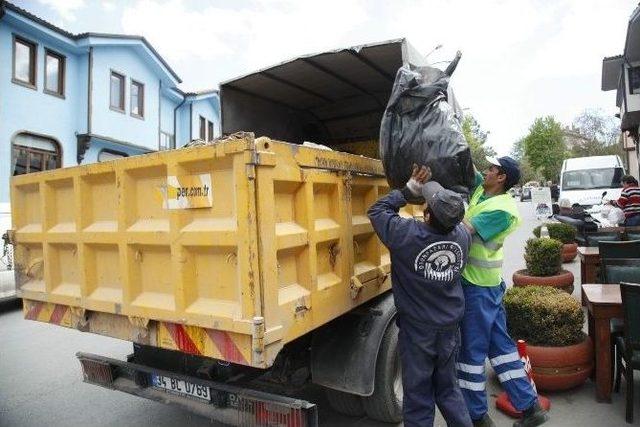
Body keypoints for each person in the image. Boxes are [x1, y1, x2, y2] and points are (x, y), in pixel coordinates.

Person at [367, 164, 472, 427]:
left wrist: (408, 190)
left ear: (426, 216)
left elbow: (377, 210)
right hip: (449, 328)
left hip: (418, 332)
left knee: (418, 396)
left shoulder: (407, 235)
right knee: (449, 390)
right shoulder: (461, 236)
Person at [457, 156, 549, 427]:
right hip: (487, 287)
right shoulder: (482, 191)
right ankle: (530, 408)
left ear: (502, 178)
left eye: (492, 169)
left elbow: (466, 230)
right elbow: (468, 169)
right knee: (501, 348)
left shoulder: (503, 210)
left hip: (478, 288)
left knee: (471, 355)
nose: (486, 172)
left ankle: (476, 416)